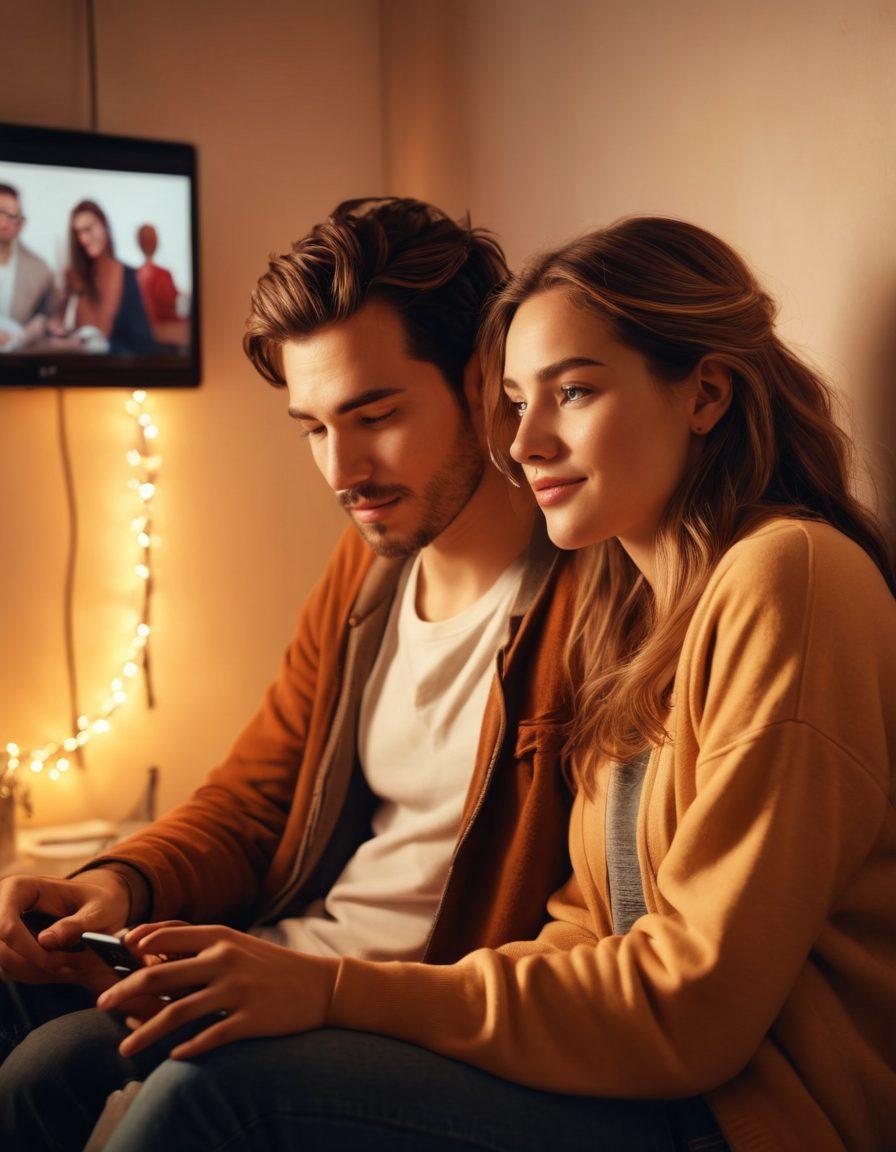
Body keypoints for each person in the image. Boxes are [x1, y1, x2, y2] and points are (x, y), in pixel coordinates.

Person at [44, 217, 894, 1152]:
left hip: (739, 1115)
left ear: (707, 393)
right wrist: (125, 885)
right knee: (60, 1059)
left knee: (212, 1095)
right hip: (627, 1069)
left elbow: (695, 1001)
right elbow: (586, 925)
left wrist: (338, 992)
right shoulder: (634, 603)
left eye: (573, 392)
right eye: (519, 402)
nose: (525, 443)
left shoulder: (787, 575)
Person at [0, 198, 578, 1147]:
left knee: (57, 1071)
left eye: (375, 416)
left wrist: (332, 991)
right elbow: (256, 796)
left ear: (486, 380)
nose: (342, 471)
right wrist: (118, 886)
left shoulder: (585, 594)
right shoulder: (370, 568)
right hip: (284, 956)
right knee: (15, 986)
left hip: (408, 1013)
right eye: (312, 427)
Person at [52, 200, 156, 356]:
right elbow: (59, 323)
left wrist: (104, 348)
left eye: (88, 229)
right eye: (78, 233)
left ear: (104, 225)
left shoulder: (130, 277)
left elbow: (144, 346)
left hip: (118, 368)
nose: (84, 239)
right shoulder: (73, 277)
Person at [0, 183, 57, 350]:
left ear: (21, 223)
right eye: (0, 213)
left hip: (18, 358)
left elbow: (49, 316)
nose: (4, 223)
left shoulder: (40, 270)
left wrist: (39, 327)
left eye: (12, 216)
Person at [135, 224, 179, 333]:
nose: (151, 242)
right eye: (147, 239)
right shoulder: (132, 277)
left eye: (152, 238)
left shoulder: (165, 274)